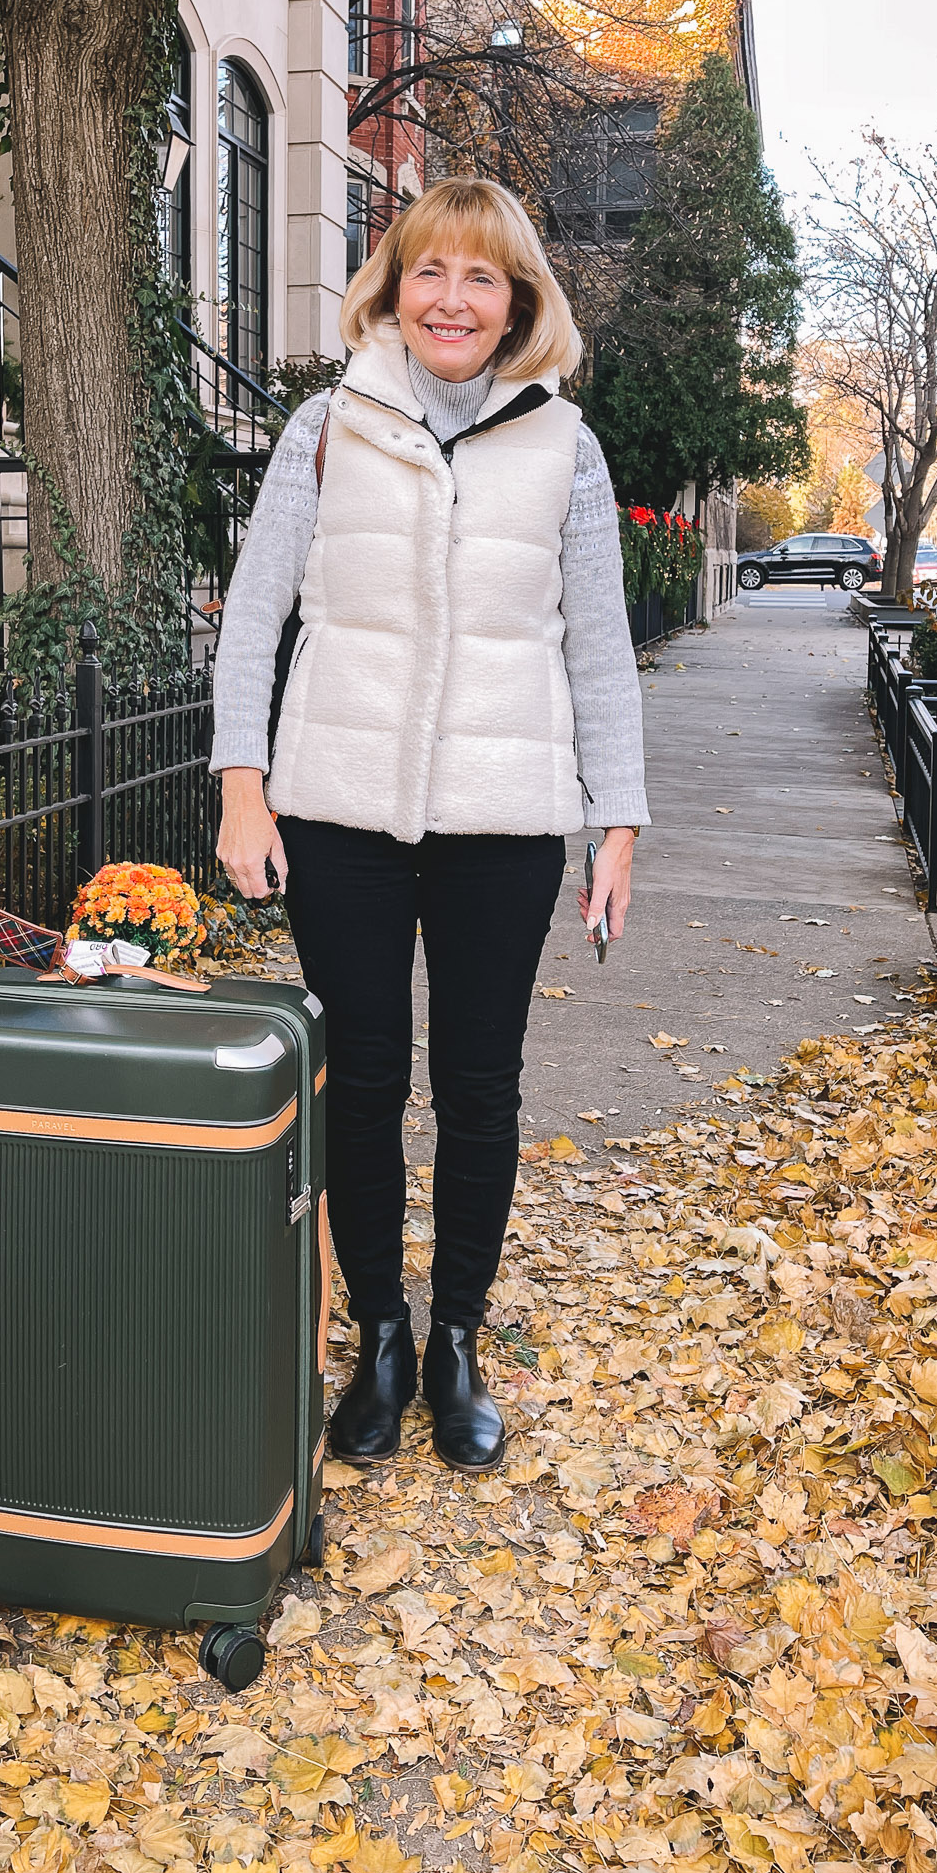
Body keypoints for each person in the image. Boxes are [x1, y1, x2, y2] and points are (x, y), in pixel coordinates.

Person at [211, 179, 648, 1472]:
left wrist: (615, 818)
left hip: (503, 828)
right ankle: (380, 1342)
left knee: (477, 1088)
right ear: (393, 287)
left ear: (519, 302)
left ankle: (456, 1339)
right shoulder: (326, 428)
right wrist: (244, 780)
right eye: (429, 272)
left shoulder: (563, 446)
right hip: (338, 814)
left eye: (481, 276)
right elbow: (254, 616)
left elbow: (601, 647)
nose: (453, 298)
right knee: (363, 1092)